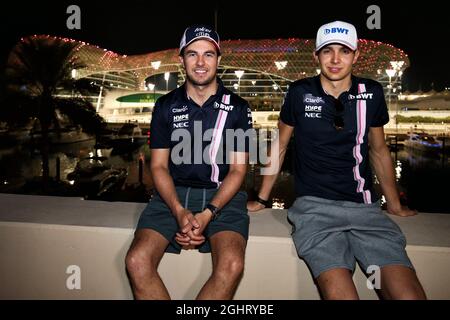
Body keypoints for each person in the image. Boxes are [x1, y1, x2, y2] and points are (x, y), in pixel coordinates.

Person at [247, 21, 426, 300]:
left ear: (355, 55)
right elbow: (279, 146)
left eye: (344, 51)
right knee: (342, 295)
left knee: (408, 295)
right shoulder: (299, 93)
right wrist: (261, 199)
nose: (334, 59)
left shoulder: (371, 93)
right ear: (316, 56)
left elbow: (378, 151)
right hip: (314, 210)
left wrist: (394, 204)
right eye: (327, 51)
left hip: (365, 210)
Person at [125, 25, 252, 300]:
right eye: (192, 54)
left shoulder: (239, 107)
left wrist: (208, 213)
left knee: (232, 264)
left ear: (219, 60)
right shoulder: (165, 106)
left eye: (208, 54)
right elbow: (158, 166)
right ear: (181, 59)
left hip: (222, 195)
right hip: (172, 193)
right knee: (136, 261)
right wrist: (179, 210)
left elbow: (239, 170)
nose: (201, 63)